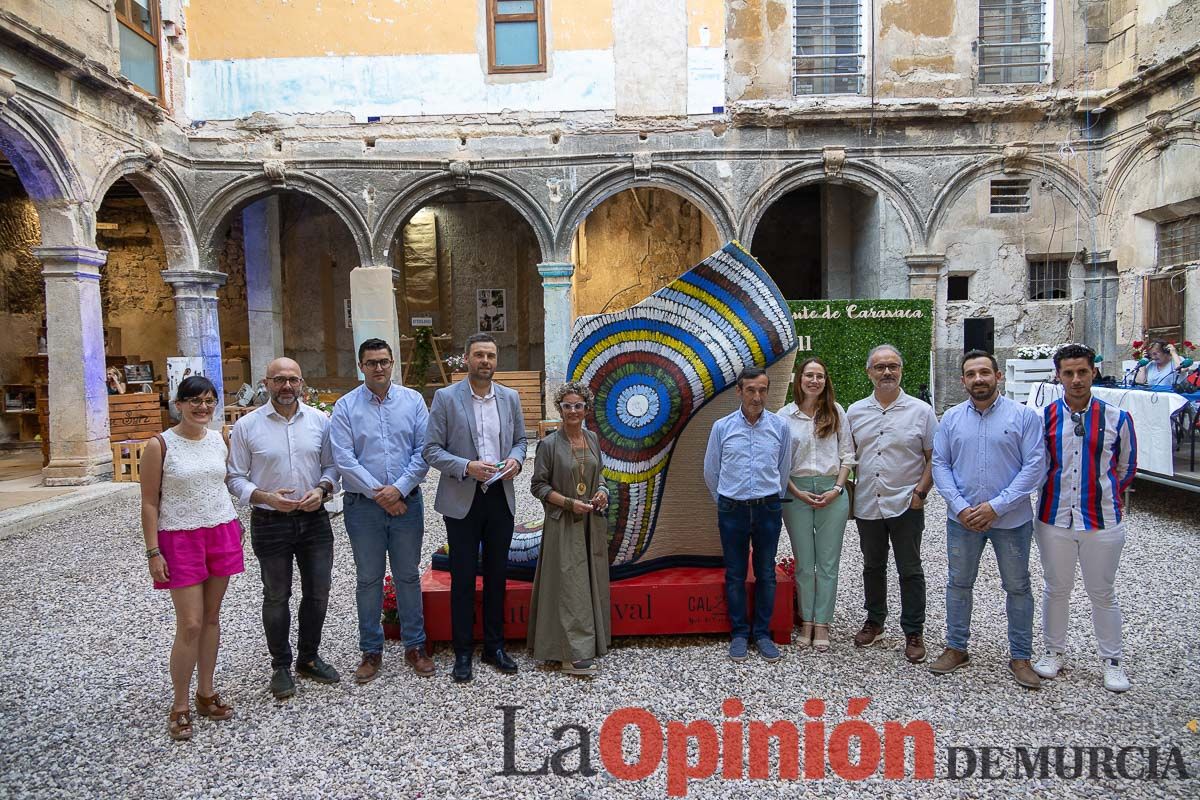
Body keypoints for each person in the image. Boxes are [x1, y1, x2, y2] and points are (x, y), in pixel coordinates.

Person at [929, 350, 1045, 689]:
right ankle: (956, 647)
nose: (978, 379)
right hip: (962, 520)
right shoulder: (950, 418)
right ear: (963, 380)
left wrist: (997, 506)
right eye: (971, 374)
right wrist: (961, 506)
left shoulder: (1024, 417)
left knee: (1018, 586)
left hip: (1011, 521)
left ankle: (1021, 656)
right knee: (959, 583)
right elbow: (940, 465)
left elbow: (1034, 467)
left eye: (984, 372)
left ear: (998, 376)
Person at [226, 357, 340, 700]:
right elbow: (234, 476)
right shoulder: (247, 427)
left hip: (314, 519)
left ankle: (308, 656)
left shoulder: (321, 421)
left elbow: (333, 467)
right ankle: (280, 665)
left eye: (292, 379)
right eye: (279, 380)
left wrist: (321, 490)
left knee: (318, 591)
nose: (286, 386)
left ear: (302, 383)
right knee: (276, 594)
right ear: (265, 383)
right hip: (270, 520)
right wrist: (263, 496)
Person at [139, 376, 243, 741]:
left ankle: (206, 692)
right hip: (178, 536)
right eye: (194, 401)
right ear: (178, 404)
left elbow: (227, 483)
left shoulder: (219, 439)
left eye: (209, 401)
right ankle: (179, 703)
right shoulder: (160, 445)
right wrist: (153, 551)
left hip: (220, 529)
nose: (203, 407)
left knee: (212, 617)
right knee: (191, 623)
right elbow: (149, 501)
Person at [1033, 343, 1137, 692]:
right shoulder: (1044, 417)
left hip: (1102, 519)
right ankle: (1053, 651)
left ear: (1093, 372)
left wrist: (1103, 493)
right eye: (1068, 373)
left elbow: (1126, 467)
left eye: (1082, 372)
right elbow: (1038, 464)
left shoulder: (1116, 418)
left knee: (1102, 591)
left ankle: (1112, 661)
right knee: (1056, 588)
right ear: (1058, 376)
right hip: (1054, 518)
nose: (1076, 379)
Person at [425, 332, 528, 683]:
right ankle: (463, 651)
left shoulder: (510, 397)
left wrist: (515, 460)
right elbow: (431, 450)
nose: (486, 361)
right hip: (462, 497)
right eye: (479, 355)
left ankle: (495, 647)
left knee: (498, 575)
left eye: (491, 356)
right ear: (467, 359)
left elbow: (520, 441)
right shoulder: (445, 398)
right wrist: (467, 466)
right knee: (464, 578)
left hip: (500, 496)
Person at [331, 338, 433, 682]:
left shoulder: (413, 401)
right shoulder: (345, 407)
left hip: (408, 503)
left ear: (393, 363)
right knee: (368, 579)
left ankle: (415, 646)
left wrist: (399, 489)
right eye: (371, 362)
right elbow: (344, 459)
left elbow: (423, 452)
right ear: (360, 366)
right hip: (363, 508)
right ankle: (371, 650)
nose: (378, 367)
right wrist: (383, 496)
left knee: (407, 575)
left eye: (384, 361)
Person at [846, 344, 938, 664]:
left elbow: (933, 458)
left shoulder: (921, 412)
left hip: (906, 503)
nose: (887, 372)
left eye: (893, 366)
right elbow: (846, 457)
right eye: (880, 366)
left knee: (910, 569)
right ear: (869, 372)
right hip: (868, 503)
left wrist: (921, 493)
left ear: (901, 370)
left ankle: (913, 630)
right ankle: (875, 621)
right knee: (872, 566)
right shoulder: (854, 412)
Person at [703, 366, 793, 663]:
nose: (757, 396)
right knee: (735, 573)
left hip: (767, 507)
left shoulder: (780, 427)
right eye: (751, 390)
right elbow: (711, 471)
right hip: (733, 508)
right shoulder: (722, 427)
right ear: (739, 391)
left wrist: (772, 498)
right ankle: (740, 634)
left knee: (766, 573)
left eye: (762, 390)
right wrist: (726, 500)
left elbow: (784, 468)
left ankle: (763, 634)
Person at [527, 381, 611, 676]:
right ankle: (568, 653)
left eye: (578, 406)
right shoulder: (548, 445)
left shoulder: (592, 439)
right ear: (559, 409)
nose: (573, 411)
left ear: (586, 409)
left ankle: (588, 643)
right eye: (567, 406)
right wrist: (568, 503)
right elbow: (538, 486)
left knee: (586, 582)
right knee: (568, 587)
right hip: (564, 522)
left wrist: (602, 492)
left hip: (590, 521)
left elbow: (599, 476)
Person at [778, 358, 854, 653]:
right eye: (809, 375)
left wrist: (837, 489)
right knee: (804, 563)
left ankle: (822, 622)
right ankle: (806, 620)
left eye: (820, 376)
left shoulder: (836, 412)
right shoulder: (784, 416)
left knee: (827, 563)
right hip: (796, 492)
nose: (814, 380)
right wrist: (795, 491)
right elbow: (780, 462)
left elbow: (848, 455)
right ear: (799, 380)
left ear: (826, 381)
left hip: (831, 491)